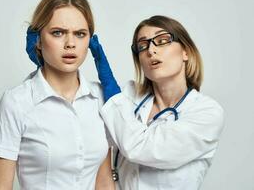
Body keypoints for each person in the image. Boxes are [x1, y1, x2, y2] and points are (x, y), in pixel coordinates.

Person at [0, 0, 115, 189]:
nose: (70, 43)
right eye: (58, 32)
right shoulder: (17, 102)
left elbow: (104, 181)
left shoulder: (100, 97)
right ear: (37, 39)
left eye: (80, 34)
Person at [89, 15, 225, 190]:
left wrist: (110, 88)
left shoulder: (207, 113)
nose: (151, 50)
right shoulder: (129, 95)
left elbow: (141, 148)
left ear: (186, 52)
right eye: (142, 45)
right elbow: (79, 96)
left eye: (162, 40)